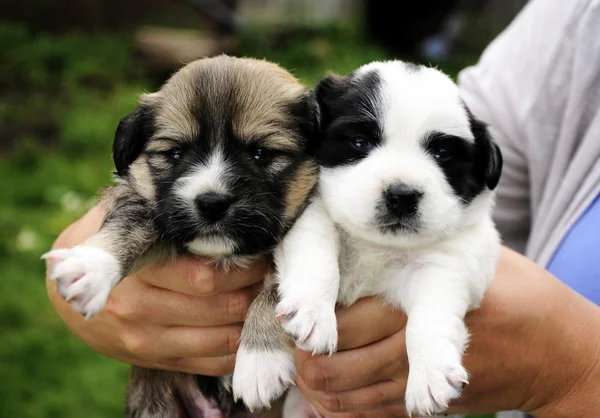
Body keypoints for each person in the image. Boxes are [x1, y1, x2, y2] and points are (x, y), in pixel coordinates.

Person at [46, 0, 600, 416]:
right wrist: (89, 261)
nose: (211, 186)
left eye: (264, 154)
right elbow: (438, 120)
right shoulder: (573, 22)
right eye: (359, 143)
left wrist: (569, 368)